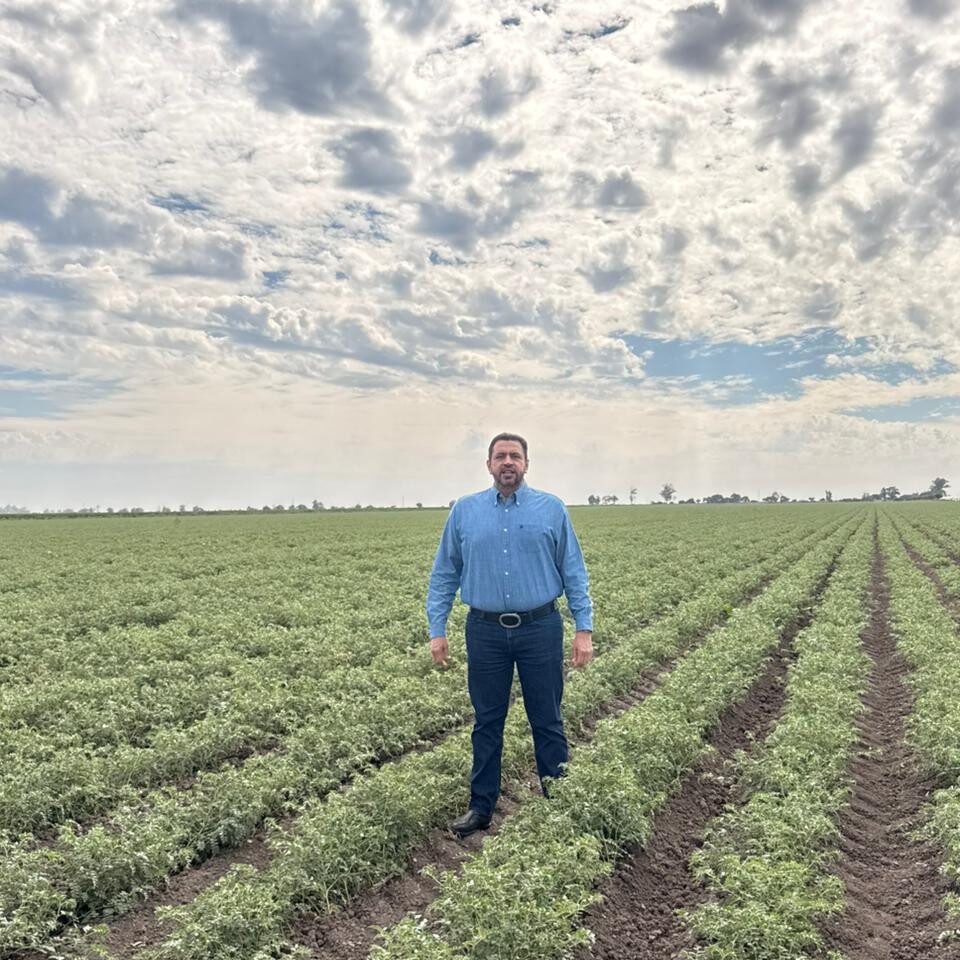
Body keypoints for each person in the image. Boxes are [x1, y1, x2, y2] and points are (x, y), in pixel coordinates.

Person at [426, 432, 594, 838]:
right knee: (487, 722)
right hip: (483, 630)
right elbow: (444, 573)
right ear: (488, 465)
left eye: (514, 456)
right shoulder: (464, 512)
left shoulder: (551, 509)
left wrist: (583, 628)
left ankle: (559, 802)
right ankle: (480, 807)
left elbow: (573, 570)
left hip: (540, 627)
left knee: (547, 718)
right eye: (500, 456)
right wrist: (438, 628)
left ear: (526, 464)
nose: (507, 463)